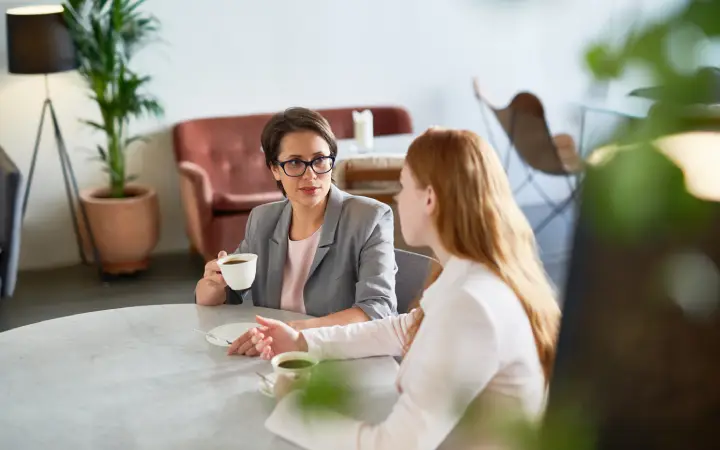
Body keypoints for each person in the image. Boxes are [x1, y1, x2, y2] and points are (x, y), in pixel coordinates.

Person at [247, 128, 562, 449]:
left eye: (402, 186)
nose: (397, 198)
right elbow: (404, 328)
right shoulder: (471, 277)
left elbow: (392, 446)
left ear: (429, 198)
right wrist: (302, 340)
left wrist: (297, 408)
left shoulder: (471, 305)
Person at [194, 107, 398, 356]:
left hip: (340, 358)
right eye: (294, 162)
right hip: (275, 358)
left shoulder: (369, 218)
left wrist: (296, 332)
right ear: (274, 169)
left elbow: (377, 308)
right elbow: (230, 293)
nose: (310, 174)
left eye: (320, 159)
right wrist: (211, 287)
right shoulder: (263, 219)